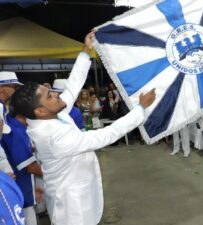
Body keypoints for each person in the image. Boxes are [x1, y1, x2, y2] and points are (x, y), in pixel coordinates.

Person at [9, 31, 156, 225]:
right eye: (49, 96)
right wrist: (140, 109)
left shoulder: (52, 115)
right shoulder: (54, 138)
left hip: (79, 194)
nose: (55, 94)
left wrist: (86, 51)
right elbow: (106, 134)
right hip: (72, 208)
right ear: (40, 111)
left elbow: (72, 88)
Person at [1, 113, 43, 225]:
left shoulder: (13, 125)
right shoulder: (16, 131)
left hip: (19, 192)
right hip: (19, 199)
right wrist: (56, 173)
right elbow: (30, 167)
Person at [0, 71, 23, 177]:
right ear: (1, 88)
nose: (16, 90)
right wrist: (5, 169)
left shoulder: (3, 106)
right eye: (14, 86)